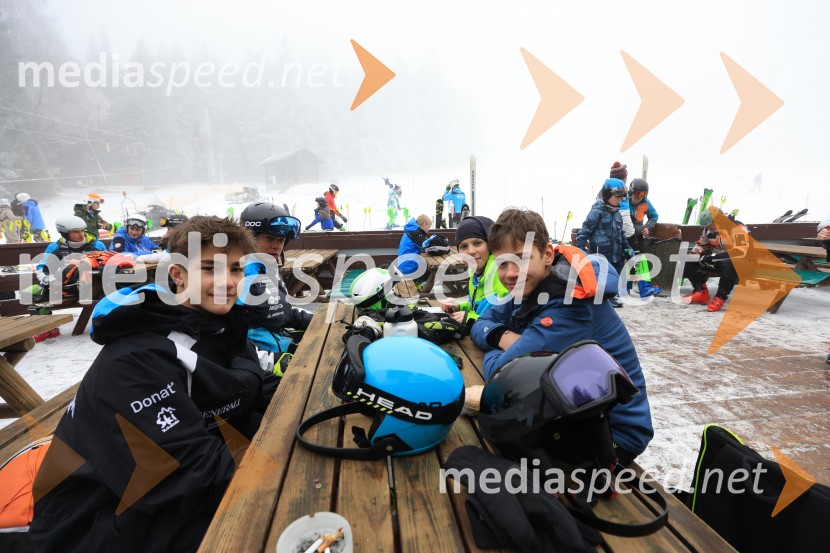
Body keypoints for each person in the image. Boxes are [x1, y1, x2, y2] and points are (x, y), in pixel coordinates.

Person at [30, 216, 279, 552]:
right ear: (177, 274)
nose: (227, 282)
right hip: (90, 523)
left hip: (160, 497)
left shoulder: (217, 327)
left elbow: (257, 392)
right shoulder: (136, 358)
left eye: (235, 269)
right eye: (210, 268)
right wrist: (286, 468)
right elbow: (189, 478)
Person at [469, 208, 653, 465]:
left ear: (546, 255)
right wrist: (504, 337)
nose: (510, 274)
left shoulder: (571, 303)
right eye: (502, 263)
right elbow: (482, 322)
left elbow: (502, 377)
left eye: (521, 259)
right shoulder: (532, 285)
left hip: (613, 435)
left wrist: (498, 346)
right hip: (575, 410)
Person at [239, 202, 312, 377]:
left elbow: (282, 309)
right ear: (249, 238)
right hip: (260, 366)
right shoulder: (239, 274)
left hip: (279, 346)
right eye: (269, 239)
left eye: (280, 240)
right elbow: (234, 338)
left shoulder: (268, 266)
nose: (277, 246)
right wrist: (275, 361)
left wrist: (317, 320)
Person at [440, 216, 509, 330]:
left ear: (490, 245)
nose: (471, 251)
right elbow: (479, 308)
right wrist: (458, 305)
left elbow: (505, 321)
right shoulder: (475, 274)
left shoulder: (502, 272)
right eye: (464, 246)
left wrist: (470, 319)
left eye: (477, 243)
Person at [682, 208, 750, 312]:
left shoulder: (737, 228)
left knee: (729, 265)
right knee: (688, 260)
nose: (708, 227)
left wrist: (712, 257)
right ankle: (701, 292)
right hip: (719, 259)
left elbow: (740, 252)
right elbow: (702, 244)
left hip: (743, 262)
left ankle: (720, 298)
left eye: (710, 224)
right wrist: (694, 253)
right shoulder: (708, 229)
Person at [576, 178, 629, 308]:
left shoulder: (617, 214)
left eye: (622, 197)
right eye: (617, 196)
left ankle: (613, 296)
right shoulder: (597, 212)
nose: (620, 199)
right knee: (603, 275)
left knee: (617, 274)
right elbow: (584, 233)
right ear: (607, 194)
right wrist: (581, 252)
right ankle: (605, 297)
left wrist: (628, 248)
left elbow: (621, 234)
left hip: (617, 253)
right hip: (602, 253)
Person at [34, 215, 107, 301]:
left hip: (96, 286)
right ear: (65, 233)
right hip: (68, 287)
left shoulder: (97, 245)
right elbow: (42, 268)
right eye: (76, 232)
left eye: (82, 231)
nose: (81, 235)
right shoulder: (55, 247)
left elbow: (107, 264)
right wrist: (51, 280)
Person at [627, 178, 663, 298]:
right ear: (631, 192)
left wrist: (648, 226)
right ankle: (625, 288)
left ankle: (644, 288)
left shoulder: (646, 203)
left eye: (644, 194)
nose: (640, 196)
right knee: (626, 262)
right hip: (624, 236)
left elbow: (654, 216)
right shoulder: (624, 201)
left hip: (638, 237)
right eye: (638, 193)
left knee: (641, 260)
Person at [396, 214, 432, 281]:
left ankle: (420, 286)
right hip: (409, 270)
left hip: (403, 266)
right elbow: (430, 245)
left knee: (428, 267)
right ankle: (420, 287)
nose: (428, 230)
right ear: (424, 224)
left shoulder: (411, 231)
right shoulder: (415, 234)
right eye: (429, 227)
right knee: (432, 271)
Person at [609, 161, 636, 242]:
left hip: (610, 229)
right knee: (634, 245)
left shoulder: (606, 188)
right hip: (624, 227)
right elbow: (623, 214)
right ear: (624, 178)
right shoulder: (623, 190)